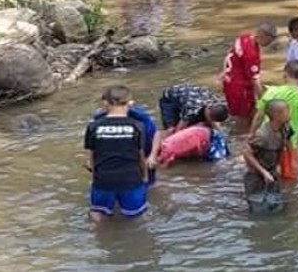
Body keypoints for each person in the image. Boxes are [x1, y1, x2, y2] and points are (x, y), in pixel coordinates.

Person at [84, 86, 148, 223]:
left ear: (105, 103)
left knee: (97, 213)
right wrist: (144, 176)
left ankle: (99, 239)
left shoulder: (94, 126)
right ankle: (139, 241)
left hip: (103, 179)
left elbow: (90, 160)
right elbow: (140, 156)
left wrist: (97, 177)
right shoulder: (137, 126)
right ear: (130, 103)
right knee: (138, 216)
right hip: (131, 178)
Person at [149, 83, 230, 168]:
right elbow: (178, 132)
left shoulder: (216, 103)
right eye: (210, 118)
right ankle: (153, 155)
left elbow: (215, 125)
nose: (211, 121)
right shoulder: (192, 109)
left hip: (190, 95)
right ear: (208, 110)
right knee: (171, 130)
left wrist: (222, 138)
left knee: (204, 125)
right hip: (170, 99)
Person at [220, 24, 278, 124]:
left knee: (236, 112)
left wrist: (224, 71)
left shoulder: (244, 38)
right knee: (243, 116)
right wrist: (263, 99)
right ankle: (241, 135)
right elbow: (255, 80)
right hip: (240, 88)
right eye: (271, 40)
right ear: (264, 36)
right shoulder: (251, 54)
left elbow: (230, 53)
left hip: (229, 81)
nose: (271, 43)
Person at [92, 103, 158, 186]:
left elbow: (155, 135)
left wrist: (152, 155)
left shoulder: (140, 117)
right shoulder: (99, 119)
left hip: (140, 152)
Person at [243, 99, 291, 196]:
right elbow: (246, 153)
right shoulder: (262, 135)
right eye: (287, 112)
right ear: (277, 115)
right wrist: (264, 172)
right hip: (256, 176)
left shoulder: (285, 128)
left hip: (272, 172)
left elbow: (286, 145)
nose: (289, 114)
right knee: (258, 205)